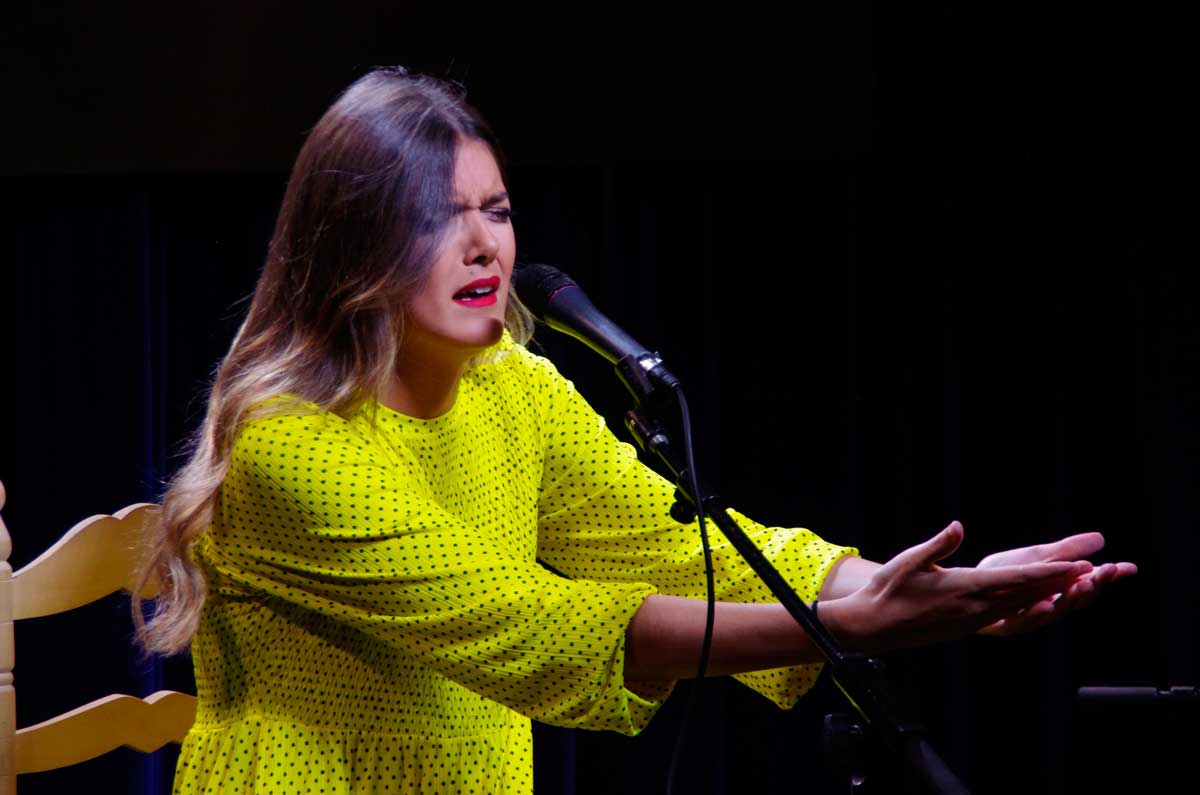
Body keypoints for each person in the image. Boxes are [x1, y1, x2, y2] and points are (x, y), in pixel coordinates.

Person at [134, 66, 1135, 795]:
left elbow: (670, 546)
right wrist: (849, 626)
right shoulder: (288, 445)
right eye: (438, 218)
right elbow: (532, 624)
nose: (486, 243)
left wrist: (883, 587)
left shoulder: (509, 388)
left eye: (498, 208)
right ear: (354, 242)